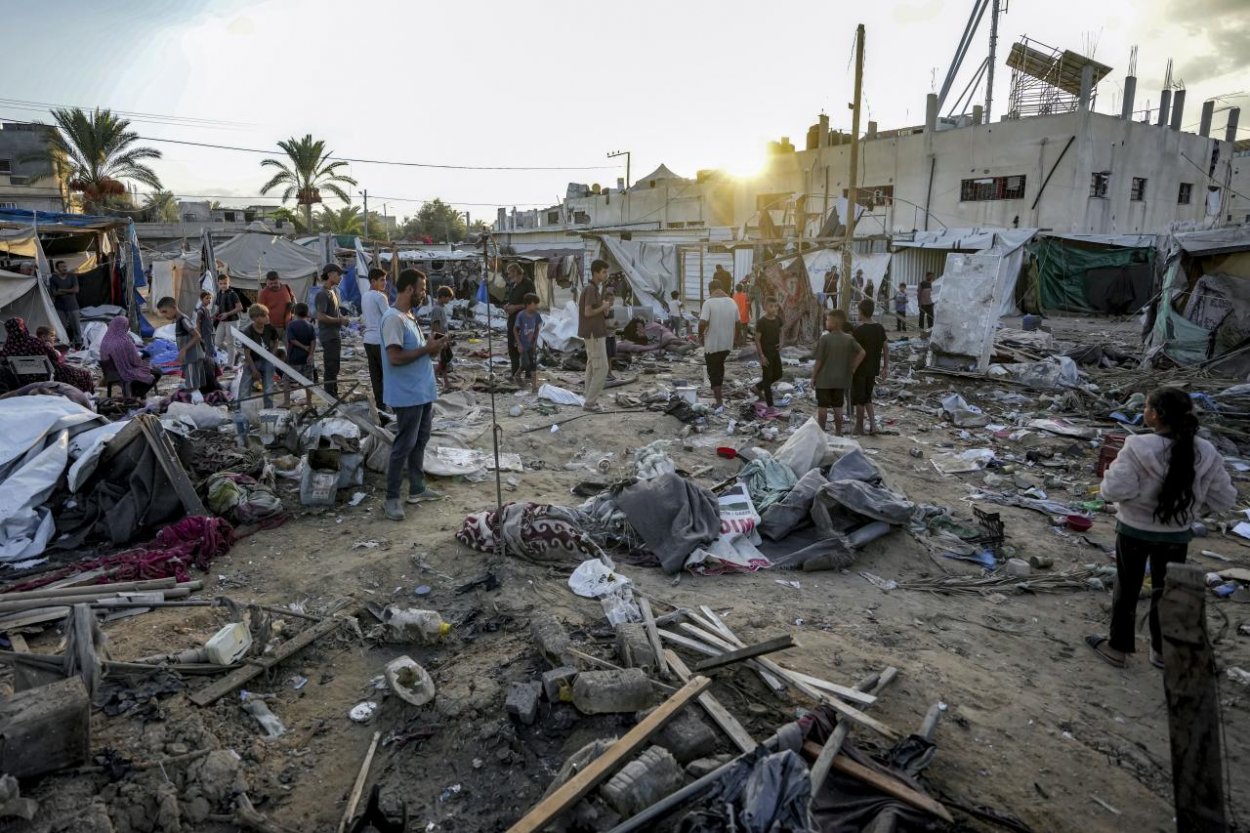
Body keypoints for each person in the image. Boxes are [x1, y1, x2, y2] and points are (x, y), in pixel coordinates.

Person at [1087, 388, 1237, 669]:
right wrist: (1192, 511)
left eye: (1146, 406)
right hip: (1177, 535)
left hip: (1134, 531)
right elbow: (1224, 497)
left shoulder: (1137, 446)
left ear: (1155, 414)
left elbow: (1114, 490)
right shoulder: (1205, 450)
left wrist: (1131, 499)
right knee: (1166, 591)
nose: (1145, 411)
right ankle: (1161, 651)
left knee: (1127, 589)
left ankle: (1118, 648)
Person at [380, 268, 447, 521]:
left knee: (420, 440)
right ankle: (391, 498)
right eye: (422, 288)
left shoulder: (409, 316)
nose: (424, 293)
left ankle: (417, 488)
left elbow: (418, 352)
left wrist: (433, 347)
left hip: (421, 391)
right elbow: (395, 357)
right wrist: (426, 349)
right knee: (403, 445)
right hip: (406, 394)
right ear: (409, 288)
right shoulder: (393, 319)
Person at [1, 317, 95, 392]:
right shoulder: (36, 341)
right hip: (48, 376)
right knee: (85, 374)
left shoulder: (7, 347)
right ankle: (88, 401)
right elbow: (55, 357)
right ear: (23, 327)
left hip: (23, 382)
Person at [812, 309, 864, 437]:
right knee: (838, 407)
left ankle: (821, 432)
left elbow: (819, 361)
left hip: (824, 379)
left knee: (822, 407)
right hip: (841, 380)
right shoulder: (849, 339)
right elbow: (862, 352)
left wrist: (813, 377)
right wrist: (853, 368)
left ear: (834, 322)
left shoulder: (825, 339)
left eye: (828, 320)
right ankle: (838, 432)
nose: (826, 322)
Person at [698, 281, 739, 413]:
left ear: (710, 289)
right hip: (727, 344)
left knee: (714, 372)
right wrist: (735, 339)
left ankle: (719, 402)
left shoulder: (708, 303)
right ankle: (718, 395)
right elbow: (738, 323)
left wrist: (700, 336)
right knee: (719, 368)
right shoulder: (732, 302)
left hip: (713, 345)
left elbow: (702, 322)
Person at [99, 315, 163, 398]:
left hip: (109, 373)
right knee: (156, 372)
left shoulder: (105, 340)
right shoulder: (125, 341)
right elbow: (135, 361)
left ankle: (134, 391)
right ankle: (137, 393)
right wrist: (145, 362)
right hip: (122, 373)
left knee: (144, 369)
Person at [579, 259, 612, 412]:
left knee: (592, 366)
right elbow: (587, 312)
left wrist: (604, 309)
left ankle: (588, 398)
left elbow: (595, 311)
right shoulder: (591, 289)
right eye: (604, 272)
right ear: (596, 272)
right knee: (602, 368)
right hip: (594, 333)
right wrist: (604, 307)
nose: (606, 275)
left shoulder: (595, 289)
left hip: (594, 332)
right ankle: (590, 403)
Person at [852, 299, 888, 436]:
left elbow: (855, 351)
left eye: (858, 311)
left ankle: (859, 427)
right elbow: (886, 348)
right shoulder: (879, 328)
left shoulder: (859, 331)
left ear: (861, 312)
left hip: (860, 370)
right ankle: (873, 425)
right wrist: (885, 367)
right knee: (867, 397)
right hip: (873, 368)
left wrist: (852, 368)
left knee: (859, 400)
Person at [157, 297, 207, 392]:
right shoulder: (179, 320)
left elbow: (197, 336)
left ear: (173, 307)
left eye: (165, 312)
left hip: (193, 356)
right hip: (189, 357)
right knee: (190, 382)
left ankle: (194, 401)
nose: (164, 315)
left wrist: (184, 350)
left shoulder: (183, 320)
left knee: (192, 385)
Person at [315, 263, 349, 398]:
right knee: (330, 367)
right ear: (329, 275)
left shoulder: (333, 292)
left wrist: (342, 318)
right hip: (328, 336)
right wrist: (339, 321)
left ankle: (334, 394)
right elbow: (321, 316)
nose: (340, 277)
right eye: (338, 274)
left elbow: (334, 313)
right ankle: (330, 396)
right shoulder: (322, 294)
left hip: (334, 334)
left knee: (335, 366)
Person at [240, 304, 280, 409]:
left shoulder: (270, 328)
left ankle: (269, 410)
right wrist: (254, 370)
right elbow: (247, 353)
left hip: (267, 361)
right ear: (253, 318)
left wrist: (272, 355)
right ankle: (242, 410)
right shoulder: (248, 331)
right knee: (245, 388)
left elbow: (276, 341)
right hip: (252, 361)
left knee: (268, 388)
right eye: (258, 316)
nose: (262, 318)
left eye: (264, 315)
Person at [361, 267, 390, 410]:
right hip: (379, 340)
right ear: (373, 281)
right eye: (382, 280)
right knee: (387, 375)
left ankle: (380, 406)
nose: (385, 283)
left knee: (375, 376)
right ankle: (391, 405)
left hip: (368, 340)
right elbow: (389, 318)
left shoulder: (365, 295)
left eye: (385, 280)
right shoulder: (380, 297)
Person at [503, 263, 536, 380]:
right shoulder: (514, 285)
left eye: (510, 273)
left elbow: (531, 304)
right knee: (512, 348)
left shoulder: (528, 284)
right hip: (513, 321)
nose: (509, 275)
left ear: (516, 272)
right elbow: (513, 300)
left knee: (525, 349)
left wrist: (515, 307)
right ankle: (514, 373)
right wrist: (508, 306)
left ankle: (528, 375)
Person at [283, 302, 316, 408]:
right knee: (308, 381)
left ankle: (287, 402)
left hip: (294, 358)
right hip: (307, 359)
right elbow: (313, 341)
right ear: (307, 313)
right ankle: (310, 403)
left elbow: (292, 340)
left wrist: (303, 347)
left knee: (287, 379)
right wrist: (310, 353)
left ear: (295, 312)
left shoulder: (291, 325)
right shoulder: (310, 325)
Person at [752, 296, 783, 407]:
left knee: (778, 374)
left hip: (775, 352)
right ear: (765, 307)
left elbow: (781, 331)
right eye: (771, 306)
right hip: (766, 353)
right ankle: (770, 406)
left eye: (776, 306)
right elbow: (757, 339)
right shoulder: (762, 322)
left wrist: (781, 342)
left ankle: (757, 387)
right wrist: (761, 356)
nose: (774, 309)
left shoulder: (778, 319)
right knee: (767, 377)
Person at [47, 260, 83, 347]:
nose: (64, 268)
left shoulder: (72, 276)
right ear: (57, 268)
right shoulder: (53, 279)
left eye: (65, 266)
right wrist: (69, 291)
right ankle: (65, 343)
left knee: (76, 326)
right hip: (60, 307)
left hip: (73, 306)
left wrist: (62, 290)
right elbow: (54, 293)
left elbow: (76, 290)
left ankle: (78, 343)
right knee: (62, 326)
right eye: (62, 267)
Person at [213, 272, 244, 365]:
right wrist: (214, 315)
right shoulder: (218, 294)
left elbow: (240, 307)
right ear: (218, 283)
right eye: (221, 283)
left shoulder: (233, 294)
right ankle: (235, 353)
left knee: (230, 343)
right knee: (217, 342)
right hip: (222, 321)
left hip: (233, 320)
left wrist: (227, 314)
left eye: (225, 283)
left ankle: (230, 365)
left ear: (229, 283)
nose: (223, 285)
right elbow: (218, 308)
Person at [514, 292, 542, 394]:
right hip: (523, 345)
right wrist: (519, 344)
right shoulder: (521, 315)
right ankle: (517, 374)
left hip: (531, 344)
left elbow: (537, 329)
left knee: (533, 364)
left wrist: (535, 342)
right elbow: (515, 330)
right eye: (535, 304)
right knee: (526, 363)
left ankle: (534, 387)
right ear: (529, 304)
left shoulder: (536, 316)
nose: (536, 306)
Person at [431, 286, 455, 390]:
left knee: (445, 359)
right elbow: (435, 326)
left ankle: (435, 376)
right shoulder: (436, 309)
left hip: (443, 338)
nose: (449, 300)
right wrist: (442, 339)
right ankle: (445, 382)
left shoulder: (441, 308)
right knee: (444, 360)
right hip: (439, 338)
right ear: (442, 297)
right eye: (448, 298)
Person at [196, 291, 217, 358]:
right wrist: (199, 332)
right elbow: (198, 321)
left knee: (210, 347)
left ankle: (209, 360)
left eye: (210, 298)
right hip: (205, 333)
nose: (209, 300)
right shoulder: (201, 309)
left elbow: (206, 319)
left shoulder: (206, 309)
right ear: (202, 299)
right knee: (209, 348)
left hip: (208, 332)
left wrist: (213, 318)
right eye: (207, 298)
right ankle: (209, 362)